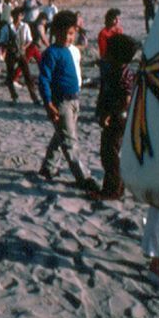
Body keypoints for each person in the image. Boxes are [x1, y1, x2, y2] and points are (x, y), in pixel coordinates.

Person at [37, 11, 98, 192]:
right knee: (70, 140)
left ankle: (48, 168)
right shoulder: (51, 53)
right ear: (55, 31)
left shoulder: (69, 51)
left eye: (71, 34)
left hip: (74, 101)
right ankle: (83, 177)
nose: (67, 37)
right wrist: (48, 103)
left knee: (61, 136)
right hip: (60, 103)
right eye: (64, 33)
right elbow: (44, 80)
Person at [91, 34, 138, 200]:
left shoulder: (123, 73)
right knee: (111, 152)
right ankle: (117, 187)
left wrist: (110, 114)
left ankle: (112, 190)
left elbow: (125, 99)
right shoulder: (117, 70)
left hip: (118, 118)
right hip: (116, 116)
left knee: (109, 153)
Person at [1, 7, 40, 104]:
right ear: (12, 16)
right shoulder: (7, 27)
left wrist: (24, 47)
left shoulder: (25, 26)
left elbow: (29, 40)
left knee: (27, 75)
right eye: (16, 15)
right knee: (10, 76)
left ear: (22, 16)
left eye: (20, 15)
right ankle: (14, 96)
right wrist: (7, 47)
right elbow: (2, 41)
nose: (18, 17)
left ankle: (34, 97)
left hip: (21, 53)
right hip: (10, 54)